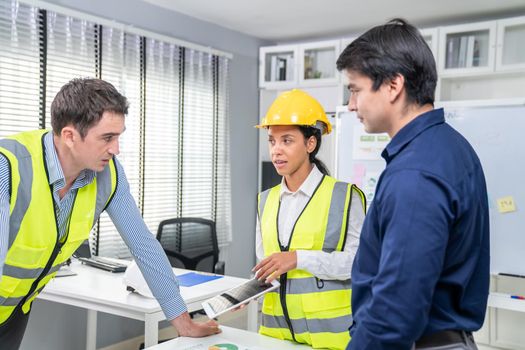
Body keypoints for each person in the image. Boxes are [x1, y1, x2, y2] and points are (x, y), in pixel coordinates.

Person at [0, 78, 220, 349]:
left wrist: (183, 322)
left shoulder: (108, 174)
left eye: (118, 136)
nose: (116, 149)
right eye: (107, 138)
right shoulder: (7, 167)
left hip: (14, 311)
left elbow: (143, 245)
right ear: (69, 136)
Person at [336, 19, 490, 350]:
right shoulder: (448, 147)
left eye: (355, 89)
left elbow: (394, 312)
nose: (350, 105)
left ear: (393, 85)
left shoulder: (415, 173)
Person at [253, 89, 366, 350]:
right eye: (272, 141)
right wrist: (253, 288)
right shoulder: (264, 201)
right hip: (274, 336)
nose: (276, 151)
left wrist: (298, 258)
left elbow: (359, 264)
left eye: (287, 140)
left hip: (330, 339)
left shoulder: (346, 197)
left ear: (310, 144)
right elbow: (266, 264)